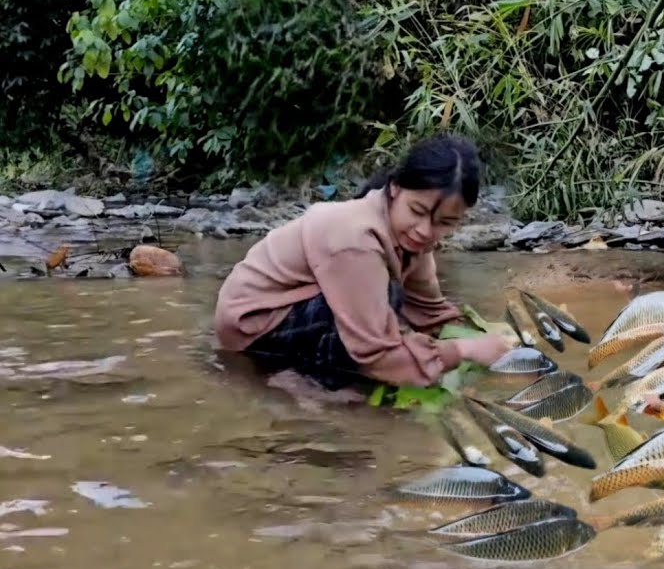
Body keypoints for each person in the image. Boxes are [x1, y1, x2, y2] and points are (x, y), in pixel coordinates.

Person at [213, 134, 515, 392]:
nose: (425, 231)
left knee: (391, 306)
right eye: (417, 211)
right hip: (253, 328)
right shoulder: (356, 238)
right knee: (384, 311)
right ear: (395, 188)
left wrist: (487, 340)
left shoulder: (411, 239)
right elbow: (376, 355)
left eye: (445, 222)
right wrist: (463, 351)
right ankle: (301, 382)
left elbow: (429, 311)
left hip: (296, 308)